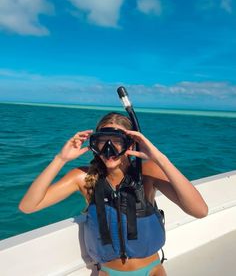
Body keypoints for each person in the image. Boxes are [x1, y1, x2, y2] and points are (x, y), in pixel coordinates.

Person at [19, 112, 208, 276]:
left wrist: (160, 159)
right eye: (102, 142)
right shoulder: (84, 177)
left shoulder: (148, 172)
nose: (108, 150)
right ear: (95, 145)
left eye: (117, 142)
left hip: (152, 270)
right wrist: (61, 159)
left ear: (131, 144)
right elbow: (28, 206)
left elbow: (200, 211)